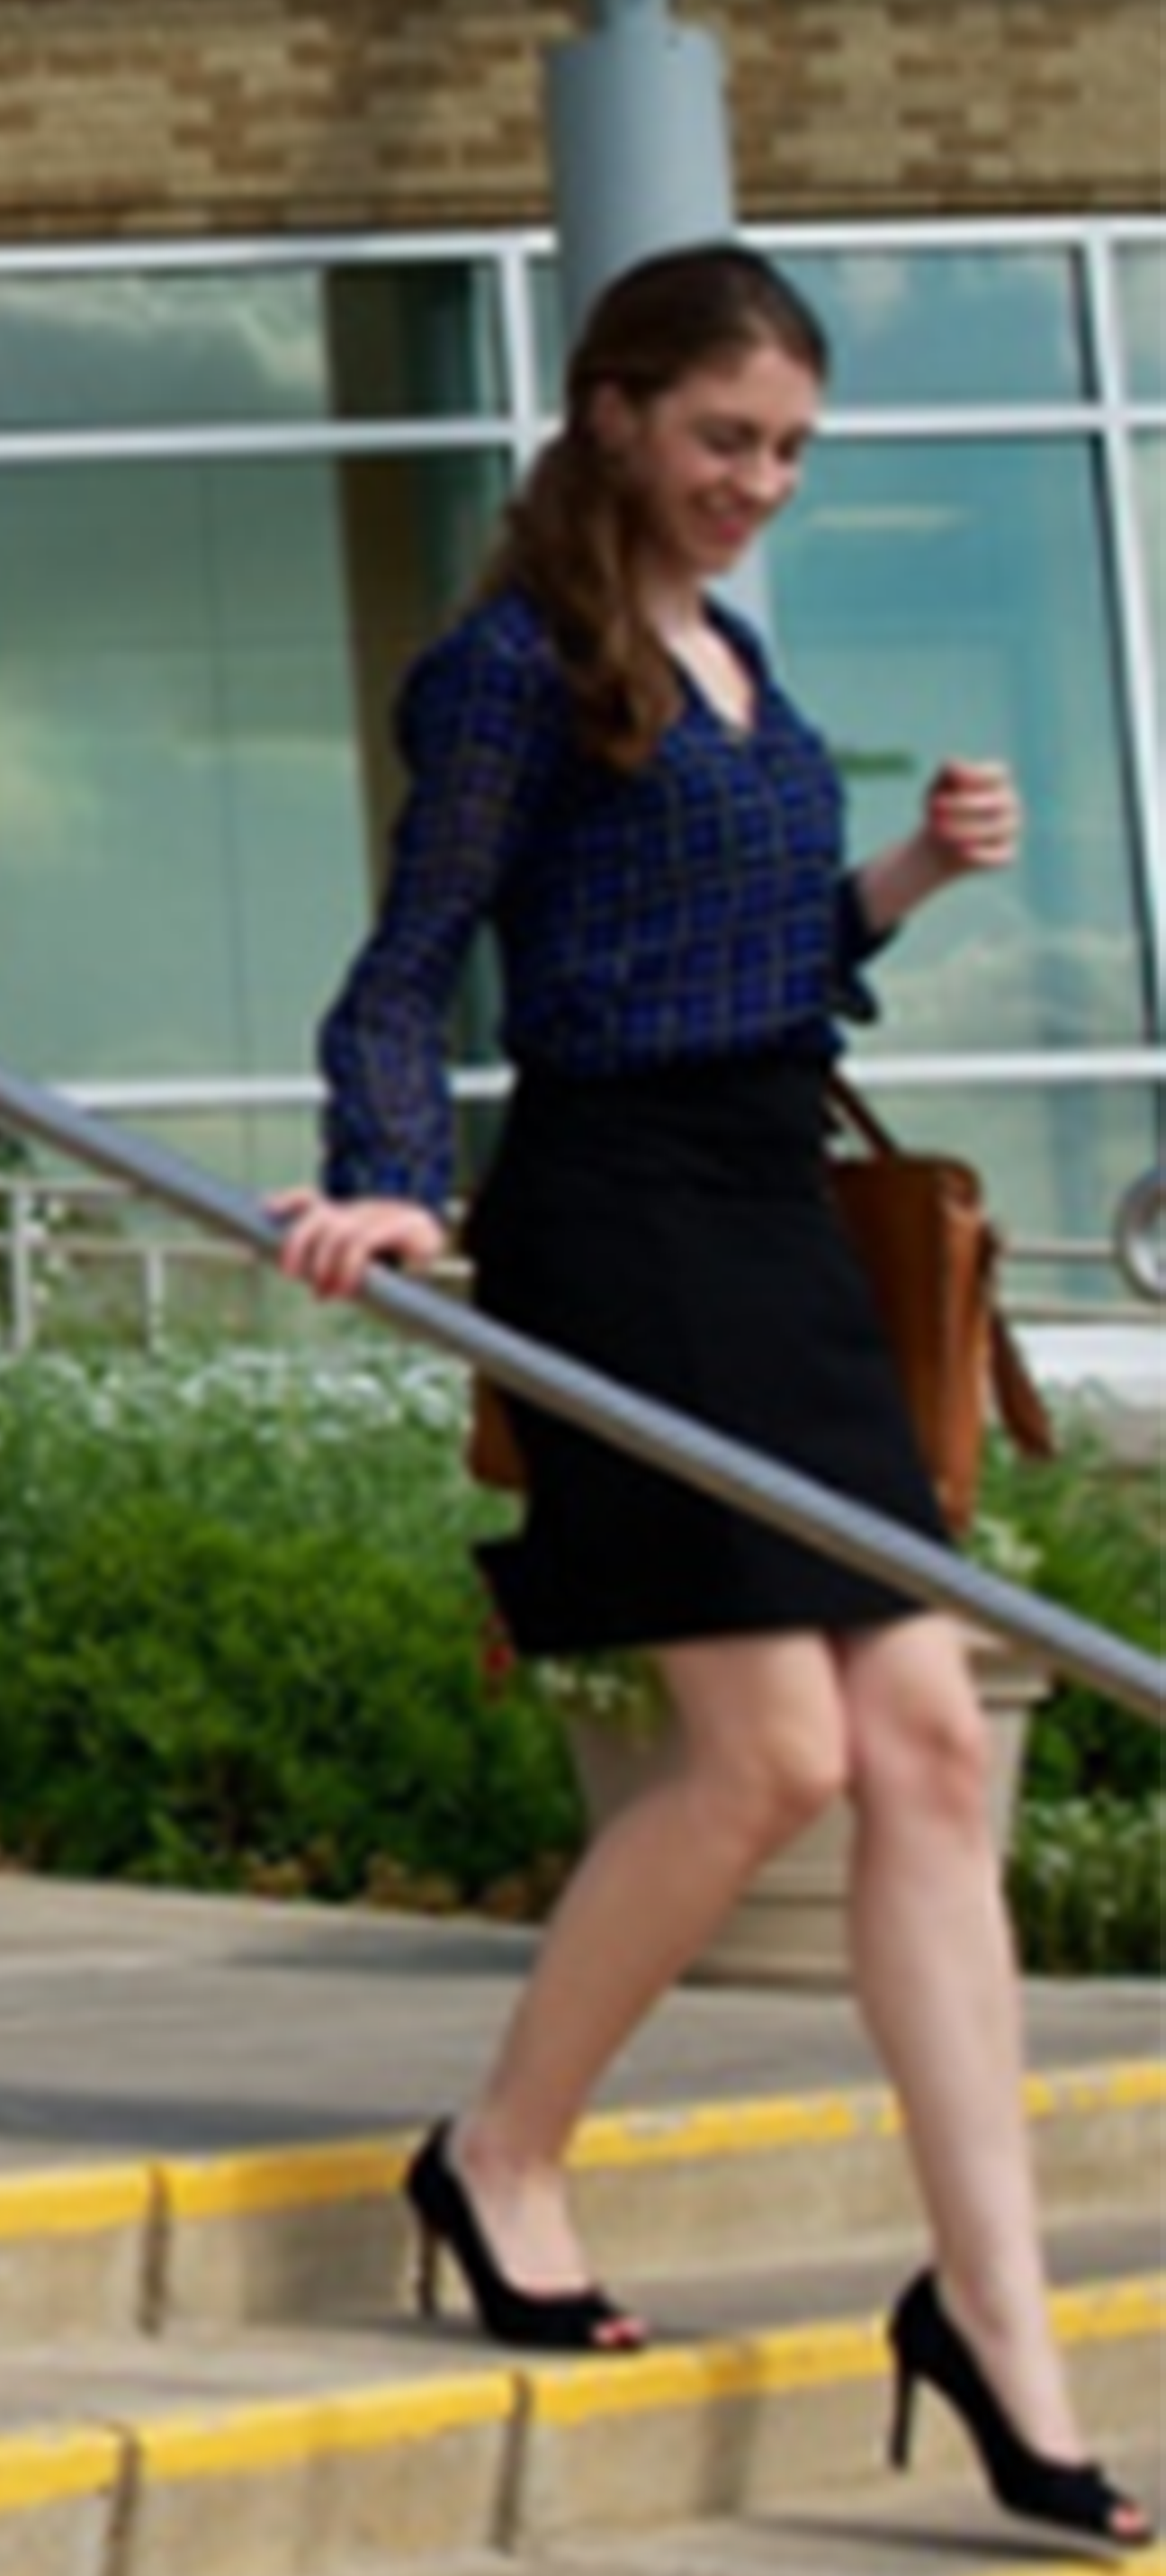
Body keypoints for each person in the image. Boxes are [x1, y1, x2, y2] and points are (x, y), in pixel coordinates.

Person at [266, 242, 1135, 2550]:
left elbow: (743, 953)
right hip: (617, 1223)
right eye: (718, 437)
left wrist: (903, 879)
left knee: (926, 1741)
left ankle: (990, 2319)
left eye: (781, 452)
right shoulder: (504, 669)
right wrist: (381, 1185)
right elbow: (406, 962)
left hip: (765, 1208)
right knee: (767, 1751)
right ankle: (497, 2154)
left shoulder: (735, 655)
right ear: (609, 414)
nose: (750, 483)